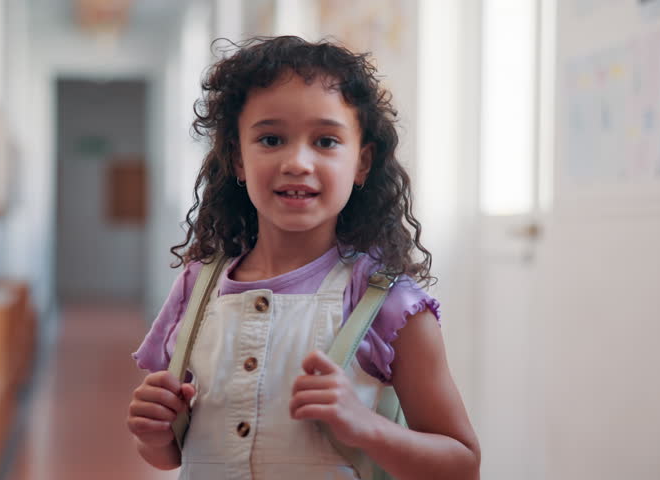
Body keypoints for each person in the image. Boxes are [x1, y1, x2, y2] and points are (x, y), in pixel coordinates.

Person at [128, 36, 480, 480]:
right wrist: (154, 434)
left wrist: (365, 425)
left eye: (326, 141)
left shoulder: (388, 305)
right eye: (271, 139)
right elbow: (172, 456)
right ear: (238, 158)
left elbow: (462, 466)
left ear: (362, 163)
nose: (297, 162)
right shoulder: (197, 289)